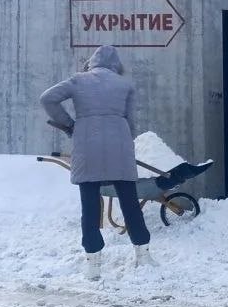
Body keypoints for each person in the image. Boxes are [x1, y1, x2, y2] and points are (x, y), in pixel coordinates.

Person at [40, 44, 154, 280]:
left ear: (92, 62)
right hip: (119, 145)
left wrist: (70, 124)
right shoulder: (124, 85)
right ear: (116, 64)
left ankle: (93, 264)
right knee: (130, 203)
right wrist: (126, 141)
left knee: (90, 206)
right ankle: (143, 256)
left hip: (87, 145)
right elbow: (131, 121)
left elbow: (47, 98)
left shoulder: (77, 80)